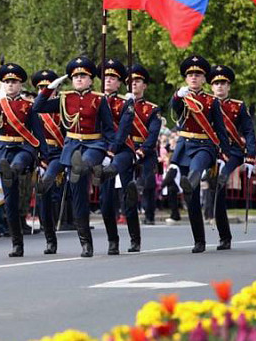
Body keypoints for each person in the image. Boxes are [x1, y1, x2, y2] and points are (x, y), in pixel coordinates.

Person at [34, 56, 115, 258]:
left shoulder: (99, 98)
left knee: (82, 165)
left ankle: (93, 168)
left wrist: (110, 153)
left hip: (94, 144)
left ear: (90, 79)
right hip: (71, 147)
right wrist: (50, 88)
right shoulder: (64, 98)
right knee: (79, 199)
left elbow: (109, 129)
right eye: (75, 76)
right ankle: (85, 243)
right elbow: (37, 107)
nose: (79, 79)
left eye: (83, 76)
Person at [164, 55, 229, 254]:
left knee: (195, 171)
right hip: (185, 145)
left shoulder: (212, 101)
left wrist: (224, 154)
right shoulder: (182, 97)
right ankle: (199, 240)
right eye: (190, 74)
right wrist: (177, 96)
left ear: (204, 79)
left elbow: (220, 129)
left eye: (198, 74)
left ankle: (224, 236)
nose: (193, 77)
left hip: (204, 145)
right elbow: (174, 110)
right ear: (185, 79)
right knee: (190, 196)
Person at [0, 63, 40, 257]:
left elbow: (37, 132)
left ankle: (13, 170)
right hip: (5, 149)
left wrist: (42, 155)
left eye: (14, 82)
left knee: (17, 164)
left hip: (23, 147)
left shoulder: (29, 106)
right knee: (10, 202)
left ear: (20, 84)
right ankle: (17, 244)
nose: (10, 85)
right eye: (7, 82)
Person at [208, 64, 256, 251]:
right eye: (216, 83)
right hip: (213, 151)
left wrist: (250, 156)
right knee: (215, 192)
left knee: (220, 180)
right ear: (211, 86)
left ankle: (224, 236)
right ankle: (223, 235)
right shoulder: (206, 104)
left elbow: (249, 131)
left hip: (234, 152)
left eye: (223, 83)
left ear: (229, 86)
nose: (220, 86)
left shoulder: (238, 106)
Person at [97, 59, 136, 256]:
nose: (108, 81)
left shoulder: (125, 102)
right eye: (106, 77)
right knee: (105, 201)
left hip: (121, 151)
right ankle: (113, 240)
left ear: (120, 82)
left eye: (113, 78)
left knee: (127, 194)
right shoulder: (95, 100)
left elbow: (123, 131)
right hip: (100, 150)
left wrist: (111, 151)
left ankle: (134, 237)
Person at [32, 70, 66, 255]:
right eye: (41, 88)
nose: (45, 91)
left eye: (48, 88)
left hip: (59, 155)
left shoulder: (63, 107)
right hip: (41, 155)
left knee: (52, 191)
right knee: (44, 200)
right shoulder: (34, 110)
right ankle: (50, 239)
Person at [127, 65, 162, 230]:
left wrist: (142, 150)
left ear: (144, 85)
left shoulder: (152, 109)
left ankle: (149, 215)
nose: (134, 84)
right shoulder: (120, 104)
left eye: (138, 81)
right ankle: (127, 212)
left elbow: (153, 133)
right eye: (131, 81)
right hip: (127, 148)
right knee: (126, 184)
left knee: (148, 183)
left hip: (146, 150)